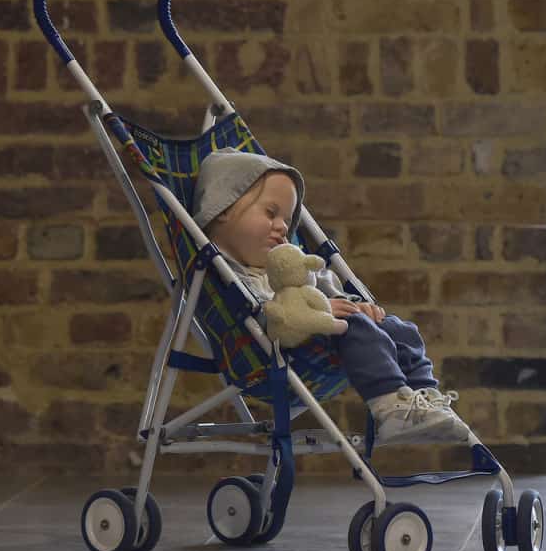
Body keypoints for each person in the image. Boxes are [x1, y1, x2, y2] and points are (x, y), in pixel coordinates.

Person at [191, 148, 469, 445]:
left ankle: (426, 399)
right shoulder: (229, 275)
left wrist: (354, 304)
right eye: (271, 213)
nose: (284, 227)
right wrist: (329, 312)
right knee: (354, 326)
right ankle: (390, 409)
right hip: (279, 356)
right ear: (222, 210)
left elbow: (332, 290)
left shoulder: (295, 265)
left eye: (287, 220)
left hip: (333, 342)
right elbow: (269, 317)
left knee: (401, 329)